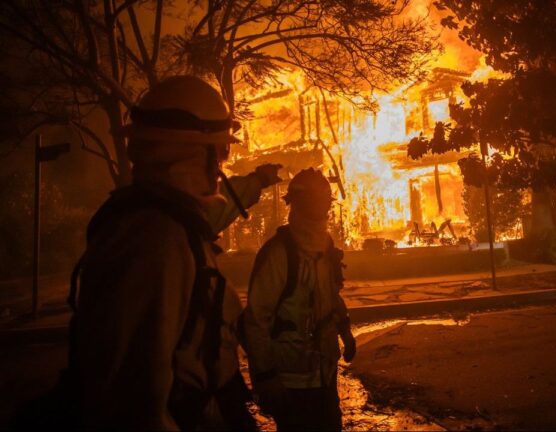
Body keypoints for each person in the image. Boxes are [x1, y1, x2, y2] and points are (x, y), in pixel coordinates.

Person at [62, 75, 280, 430]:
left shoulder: (171, 221)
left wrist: (256, 181)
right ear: (197, 153)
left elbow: (214, 214)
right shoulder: (155, 239)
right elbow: (132, 404)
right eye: (221, 151)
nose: (222, 164)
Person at [242, 168, 356, 431]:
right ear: (300, 204)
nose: (322, 209)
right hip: (290, 379)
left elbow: (331, 296)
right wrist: (267, 377)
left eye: (324, 202)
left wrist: (345, 333)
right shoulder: (278, 255)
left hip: (324, 373)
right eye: (317, 202)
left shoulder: (324, 244)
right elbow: (255, 321)